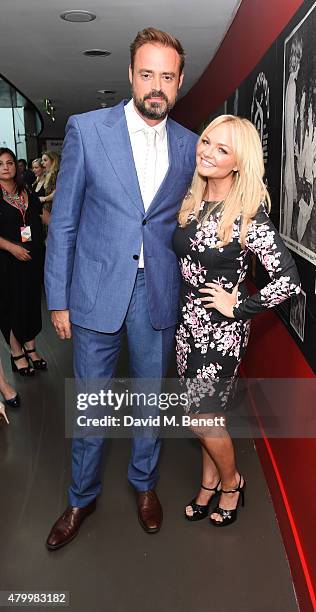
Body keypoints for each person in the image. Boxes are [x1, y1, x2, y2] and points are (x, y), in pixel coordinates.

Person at [45, 27, 198, 550]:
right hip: (94, 293)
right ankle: (81, 496)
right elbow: (63, 223)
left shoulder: (190, 146)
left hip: (156, 291)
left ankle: (145, 484)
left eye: (168, 76)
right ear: (131, 75)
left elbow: (190, 220)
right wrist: (58, 299)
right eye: (148, 73)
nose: (157, 85)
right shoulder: (88, 131)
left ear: (179, 82)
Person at [173, 115, 300, 527]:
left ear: (238, 162)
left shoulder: (247, 214)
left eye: (222, 149)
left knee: (200, 419)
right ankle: (209, 483)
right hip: (187, 326)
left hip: (218, 335)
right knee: (208, 416)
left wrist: (240, 306)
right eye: (207, 141)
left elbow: (288, 281)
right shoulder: (194, 201)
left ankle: (232, 483)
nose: (208, 151)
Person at [0, 148, 47, 376]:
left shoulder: (25, 189)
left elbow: (40, 214)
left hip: (32, 257)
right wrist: (12, 248)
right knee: (11, 306)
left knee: (30, 302)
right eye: (0, 163)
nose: (6, 167)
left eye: (9, 162)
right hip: (6, 260)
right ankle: (16, 352)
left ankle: (30, 347)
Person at [40, 151, 60, 226]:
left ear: (53, 161)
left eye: (45, 160)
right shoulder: (48, 175)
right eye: (42, 160)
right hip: (47, 212)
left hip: (53, 212)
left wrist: (44, 198)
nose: (42, 163)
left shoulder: (56, 174)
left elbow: (58, 192)